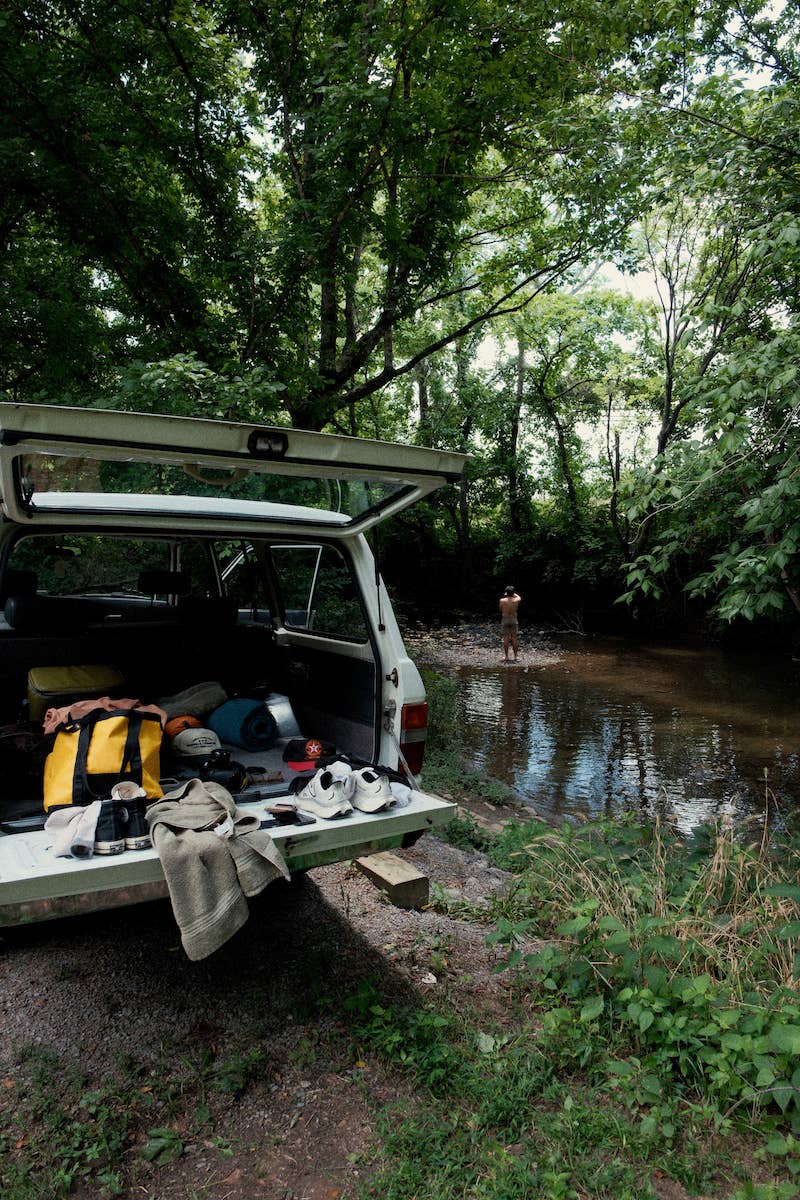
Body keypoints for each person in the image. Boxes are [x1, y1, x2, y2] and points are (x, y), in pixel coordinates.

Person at [499, 585, 521, 663]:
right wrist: (513, 594)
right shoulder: (516, 600)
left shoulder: (502, 600)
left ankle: (506, 656)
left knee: (506, 638)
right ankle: (515, 656)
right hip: (513, 620)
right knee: (514, 638)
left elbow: (500, 609)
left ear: (506, 593)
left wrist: (507, 595)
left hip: (505, 620)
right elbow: (518, 596)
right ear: (513, 593)